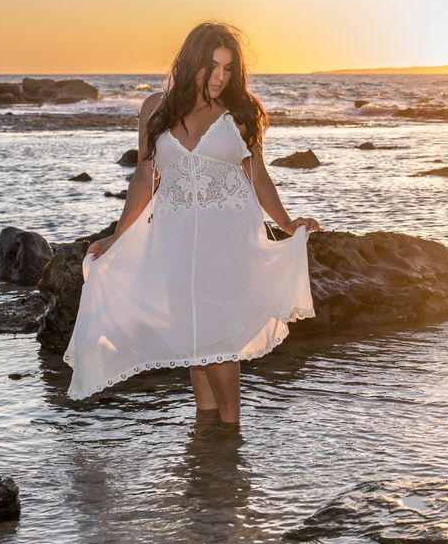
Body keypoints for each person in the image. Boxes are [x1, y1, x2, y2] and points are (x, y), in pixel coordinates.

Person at [63, 21, 321, 423]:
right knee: (195, 337)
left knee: (219, 339)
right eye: (212, 67)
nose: (220, 77)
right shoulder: (156, 109)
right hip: (175, 239)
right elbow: (146, 176)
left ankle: (231, 435)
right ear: (191, 64)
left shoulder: (240, 113)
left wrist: (286, 223)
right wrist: (116, 236)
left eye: (228, 68)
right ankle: (206, 435)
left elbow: (258, 176)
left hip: (228, 239)